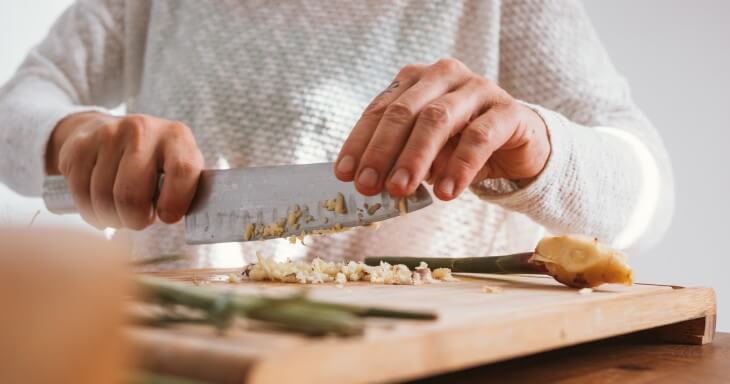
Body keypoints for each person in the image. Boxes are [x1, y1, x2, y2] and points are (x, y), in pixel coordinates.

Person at [0, 0, 673, 268]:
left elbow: (649, 194)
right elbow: (17, 107)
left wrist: (544, 151)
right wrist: (71, 136)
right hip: (180, 364)